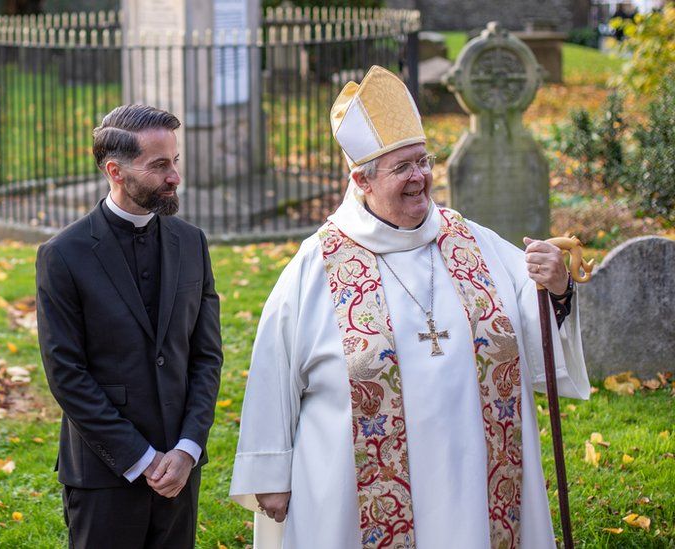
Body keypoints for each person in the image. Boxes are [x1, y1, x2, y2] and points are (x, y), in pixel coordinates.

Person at [229, 66, 590, 549]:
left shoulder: (469, 240)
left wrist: (558, 284)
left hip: (478, 476)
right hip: (354, 492)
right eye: (403, 168)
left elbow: (534, 315)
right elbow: (274, 368)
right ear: (362, 179)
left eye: (424, 161)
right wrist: (270, 470)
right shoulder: (319, 263)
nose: (421, 177)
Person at [36, 104, 222, 549]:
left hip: (181, 468)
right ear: (115, 171)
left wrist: (188, 449)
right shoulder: (63, 254)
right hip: (104, 472)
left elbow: (206, 355)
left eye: (175, 161)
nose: (174, 176)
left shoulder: (191, 242)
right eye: (159, 166)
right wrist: (138, 457)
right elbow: (66, 373)